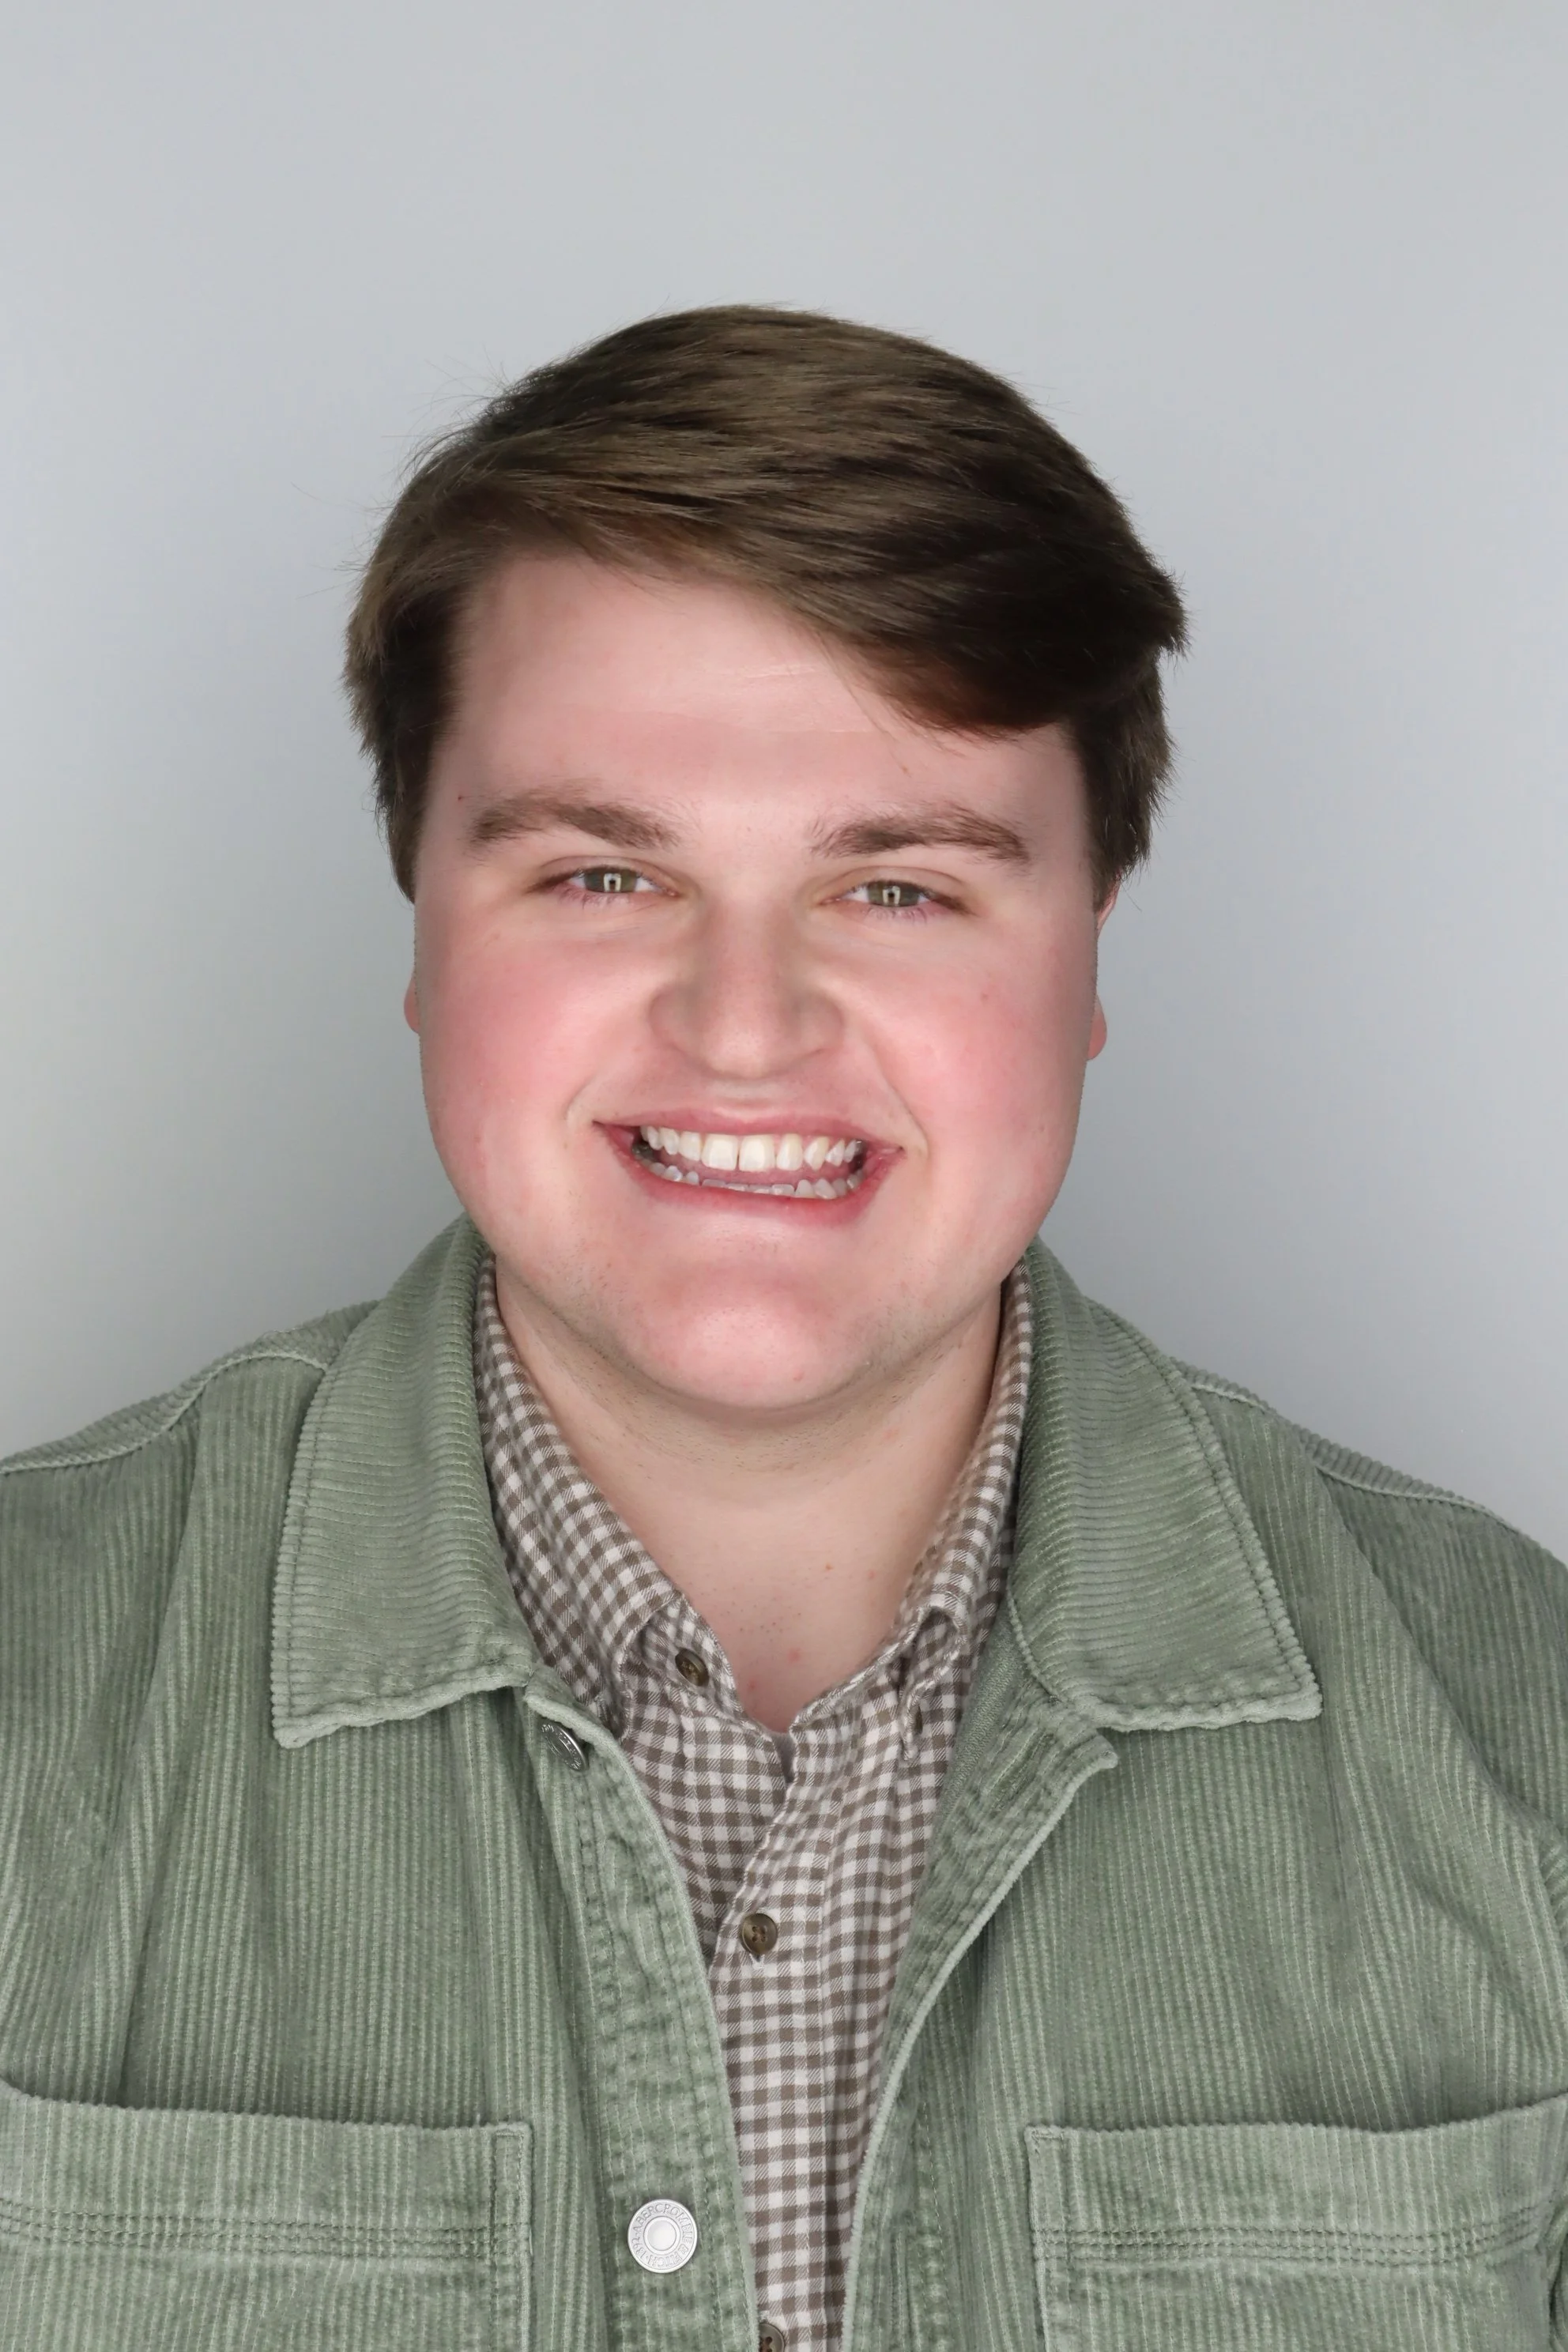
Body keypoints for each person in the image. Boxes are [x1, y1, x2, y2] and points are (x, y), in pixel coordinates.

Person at [2, 306, 1566, 2352]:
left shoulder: (1523, 1744)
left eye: (899, 890)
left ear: (1093, 957)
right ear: (418, 940)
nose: (745, 1027)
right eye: (599, 875)